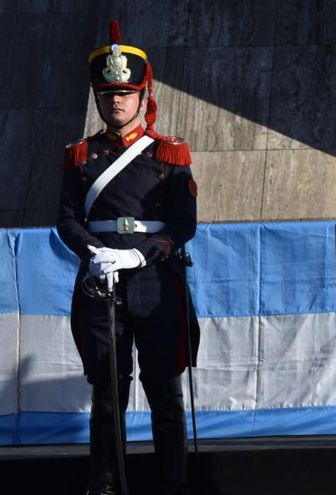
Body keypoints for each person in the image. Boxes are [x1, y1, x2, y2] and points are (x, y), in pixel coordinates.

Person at [56, 20, 198, 495]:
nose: (115, 101)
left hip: (155, 280)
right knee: (108, 391)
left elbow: (183, 224)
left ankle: (173, 480)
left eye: (124, 92)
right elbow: (67, 219)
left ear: (143, 95)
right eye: (106, 93)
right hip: (99, 280)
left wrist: (140, 257)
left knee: (164, 388)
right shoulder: (80, 156)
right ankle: (105, 480)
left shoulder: (169, 153)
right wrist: (94, 253)